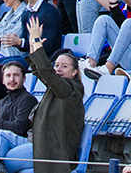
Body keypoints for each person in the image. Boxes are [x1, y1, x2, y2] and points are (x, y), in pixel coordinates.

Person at [26, 15, 85, 173]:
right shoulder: (58, 86)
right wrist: (32, 44)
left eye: (64, 66)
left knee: (5, 160)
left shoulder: (71, 89)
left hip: (55, 153)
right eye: (56, 65)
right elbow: (40, 72)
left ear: (74, 72)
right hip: (41, 146)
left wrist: (37, 42)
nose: (58, 69)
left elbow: (47, 72)